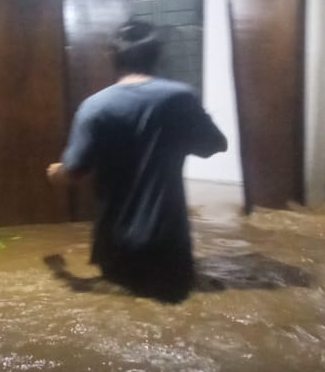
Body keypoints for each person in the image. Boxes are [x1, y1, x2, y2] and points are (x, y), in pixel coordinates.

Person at [47, 19, 227, 303]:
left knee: (117, 310)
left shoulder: (95, 107)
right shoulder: (181, 97)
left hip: (117, 245)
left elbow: (73, 173)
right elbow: (215, 145)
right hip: (171, 244)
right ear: (157, 55)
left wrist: (55, 172)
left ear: (112, 56)